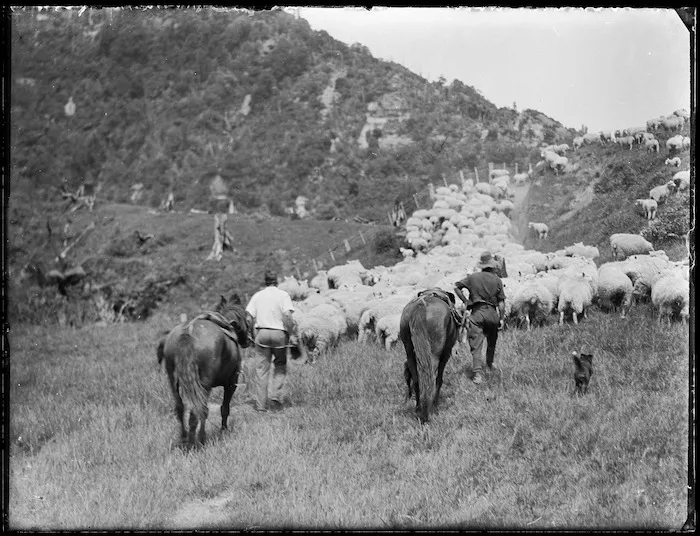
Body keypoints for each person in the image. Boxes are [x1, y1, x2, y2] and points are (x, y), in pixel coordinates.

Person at [245, 269, 297, 412]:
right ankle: (276, 398)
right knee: (280, 364)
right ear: (277, 281)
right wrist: (291, 334)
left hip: (261, 334)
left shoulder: (257, 296)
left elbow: (248, 318)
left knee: (261, 370)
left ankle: (261, 407)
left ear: (265, 282)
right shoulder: (283, 295)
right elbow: (287, 316)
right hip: (279, 334)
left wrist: (252, 334)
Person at [453, 251, 506, 385]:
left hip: (477, 313)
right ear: (492, 266)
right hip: (492, 313)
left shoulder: (473, 277)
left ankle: (477, 374)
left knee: (476, 345)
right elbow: (501, 302)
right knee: (492, 341)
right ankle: (489, 364)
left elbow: (457, 287)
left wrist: (465, 301)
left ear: (482, 265)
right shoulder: (497, 279)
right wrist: (501, 318)